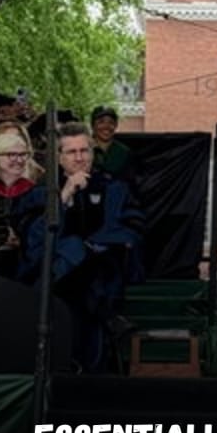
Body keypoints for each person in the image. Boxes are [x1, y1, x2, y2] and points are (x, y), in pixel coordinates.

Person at [14, 122, 144, 373]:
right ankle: (106, 322)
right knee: (73, 251)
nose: (80, 158)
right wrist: (63, 197)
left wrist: (96, 245)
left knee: (84, 258)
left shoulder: (114, 187)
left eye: (85, 151)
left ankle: (81, 367)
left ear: (93, 153)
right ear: (59, 158)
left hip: (104, 273)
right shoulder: (40, 193)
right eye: (72, 152)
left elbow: (133, 227)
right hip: (55, 277)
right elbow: (34, 241)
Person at [0, 132, 37, 278]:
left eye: (23, 154)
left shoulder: (34, 190)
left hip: (23, 264)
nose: (19, 160)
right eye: (11, 154)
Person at [90, 106, 133, 181]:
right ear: (93, 125)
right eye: (101, 122)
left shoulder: (124, 152)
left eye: (111, 122)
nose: (106, 126)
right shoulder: (82, 150)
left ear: (116, 125)